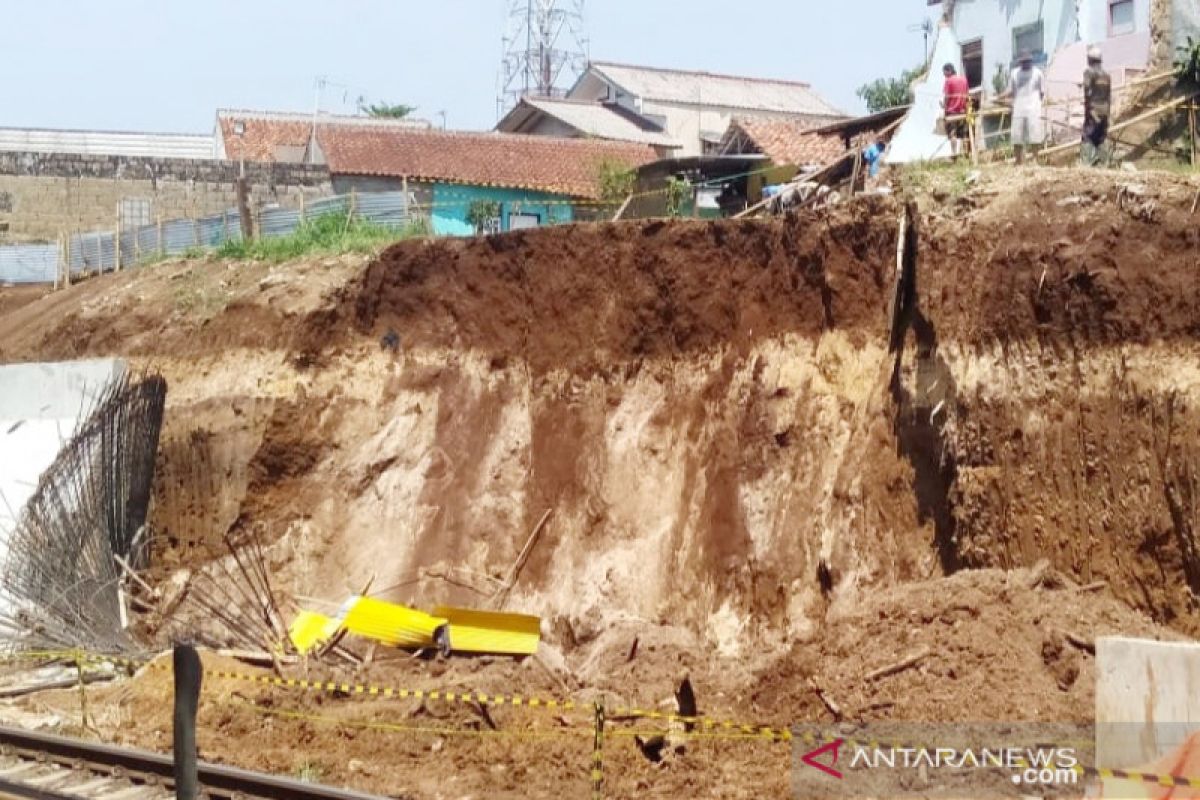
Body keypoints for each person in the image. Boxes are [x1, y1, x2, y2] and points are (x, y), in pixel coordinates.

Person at [1008, 50, 1046, 164]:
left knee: (1035, 134)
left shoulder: (1038, 73)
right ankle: (1018, 161)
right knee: (1017, 136)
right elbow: (1011, 90)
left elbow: (1042, 92)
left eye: (1028, 61)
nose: (1026, 64)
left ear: (1031, 61)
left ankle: (1035, 160)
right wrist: (997, 97)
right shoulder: (1015, 73)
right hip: (1019, 107)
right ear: (1020, 62)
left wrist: (1037, 103)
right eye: (1024, 62)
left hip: (1033, 108)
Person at [1081, 46, 1112, 166]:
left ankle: (1086, 165)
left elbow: (1087, 91)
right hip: (1104, 110)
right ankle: (1105, 164)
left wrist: (1089, 109)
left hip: (1093, 110)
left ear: (1090, 59)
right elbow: (1109, 95)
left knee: (1087, 136)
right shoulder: (1106, 75)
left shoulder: (1089, 72)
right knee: (1101, 137)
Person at [941, 63, 971, 159]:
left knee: (952, 134)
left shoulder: (948, 81)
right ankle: (966, 153)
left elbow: (947, 97)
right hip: (963, 111)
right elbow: (967, 95)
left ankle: (954, 154)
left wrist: (944, 107)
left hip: (952, 111)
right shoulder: (964, 80)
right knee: (964, 134)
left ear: (949, 71)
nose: (944, 75)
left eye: (944, 72)